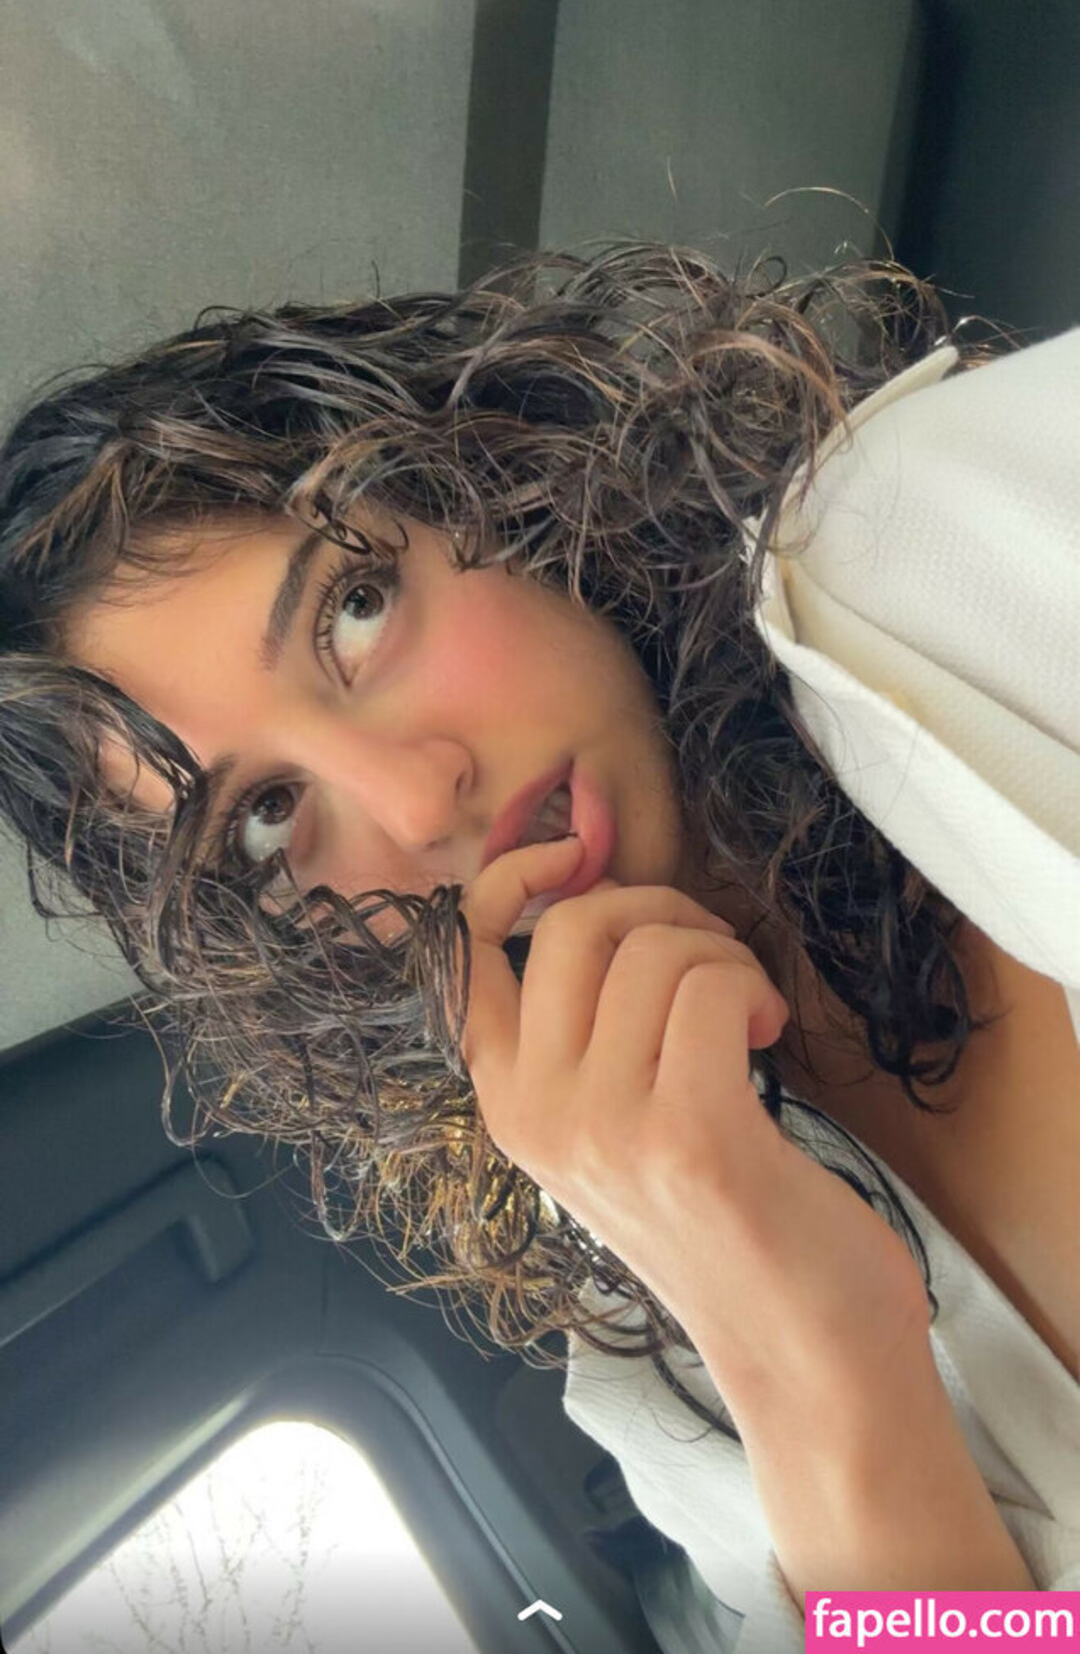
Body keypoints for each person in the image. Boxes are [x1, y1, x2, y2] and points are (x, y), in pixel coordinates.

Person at [0, 242, 1077, 1646]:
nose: (416, 802)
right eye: (267, 820)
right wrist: (811, 1360)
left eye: (354, 612)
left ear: (487, 491)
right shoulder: (645, 1356)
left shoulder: (926, 535)